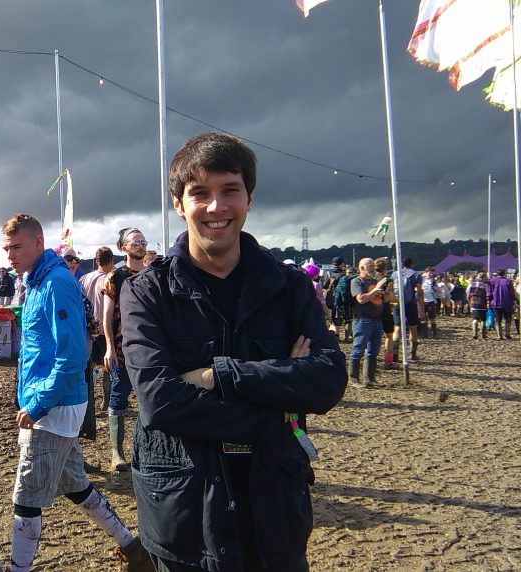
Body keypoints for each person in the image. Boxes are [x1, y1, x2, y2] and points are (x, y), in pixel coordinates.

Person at [120, 133, 346, 571]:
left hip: (274, 503)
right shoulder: (147, 292)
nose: (216, 207)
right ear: (178, 203)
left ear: (249, 198)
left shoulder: (288, 286)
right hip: (185, 513)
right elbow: (159, 400)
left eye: (229, 191)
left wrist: (215, 375)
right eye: (199, 193)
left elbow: (326, 381)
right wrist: (275, 408)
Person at [1, 213, 150, 571]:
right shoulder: (37, 283)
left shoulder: (55, 284)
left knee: (26, 498)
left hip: (53, 406)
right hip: (54, 402)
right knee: (75, 485)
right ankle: (133, 549)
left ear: (39, 243)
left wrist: (36, 405)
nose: (10, 255)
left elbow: (70, 357)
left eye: (16, 247)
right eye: (6, 248)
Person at [100, 228, 148, 472]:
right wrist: (109, 348)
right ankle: (116, 454)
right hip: (122, 350)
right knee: (119, 398)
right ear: (123, 248)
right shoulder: (115, 277)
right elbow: (106, 318)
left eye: (142, 241)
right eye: (135, 242)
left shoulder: (153, 275)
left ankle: (142, 451)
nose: (140, 245)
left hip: (150, 348)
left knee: (148, 400)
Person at [80, 247, 113, 411]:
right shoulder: (110, 279)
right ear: (112, 261)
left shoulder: (84, 278)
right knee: (109, 366)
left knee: (87, 366)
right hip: (104, 329)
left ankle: (88, 402)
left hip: (87, 328)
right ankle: (106, 400)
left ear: (96, 261)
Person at [348, 258, 387, 388]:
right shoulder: (356, 281)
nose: (372, 268)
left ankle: (369, 379)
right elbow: (361, 299)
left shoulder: (375, 281)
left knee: (373, 351)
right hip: (362, 319)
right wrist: (375, 291)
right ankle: (353, 378)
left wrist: (386, 291)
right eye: (369, 266)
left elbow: (386, 299)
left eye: (373, 265)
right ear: (362, 268)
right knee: (358, 349)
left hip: (377, 319)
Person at [393, 257, 423, 362]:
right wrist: (421, 307)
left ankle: (395, 354)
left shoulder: (395, 274)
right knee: (413, 328)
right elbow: (419, 291)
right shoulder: (416, 275)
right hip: (411, 303)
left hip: (398, 302)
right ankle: (412, 354)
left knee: (397, 328)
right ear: (412, 264)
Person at [488, 269, 516, 340]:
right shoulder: (508, 281)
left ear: (497, 274)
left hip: (496, 303)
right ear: (504, 274)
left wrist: (489, 301)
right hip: (507, 303)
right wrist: (514, 300)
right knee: (508, 319)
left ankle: (499, 335)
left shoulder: (492, 281)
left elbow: (489, 292)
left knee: (498, 320)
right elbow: (511, 293)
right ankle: (507, 333)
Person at [467, 273, 490, 339]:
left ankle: (475, 333)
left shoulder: (471, 284)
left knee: (475, 319)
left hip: (474, 303)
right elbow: (488, 294)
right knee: (483, 320)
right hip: (483, 303)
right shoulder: (486, 285)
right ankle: (483, 334)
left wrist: (469, 302)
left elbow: (468, 294)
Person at [420, 267, 439, 338]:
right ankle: (425, 334)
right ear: (426, 272)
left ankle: (434, 333)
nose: (431, 274)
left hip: (431, 300)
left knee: (432, 318)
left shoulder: (433, 281)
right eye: (430, 273)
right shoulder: (421, 279)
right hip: (422, 301)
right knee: (423, 318)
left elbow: (438, 290)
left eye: (432, 273)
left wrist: (434, 287)